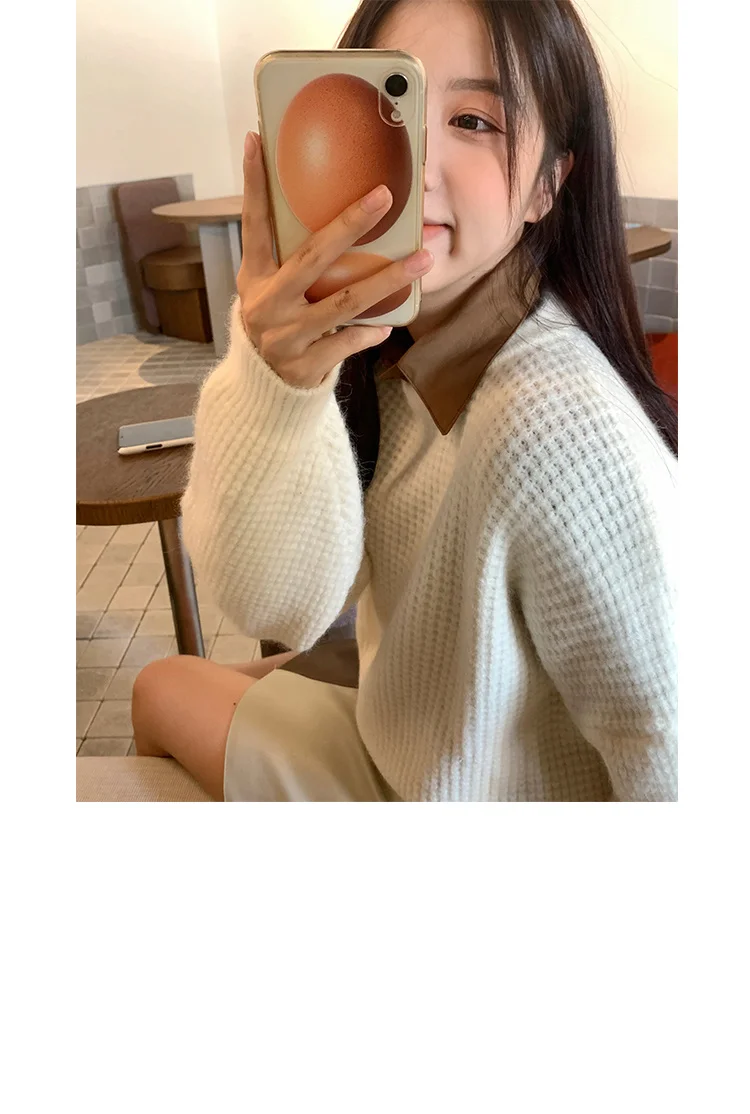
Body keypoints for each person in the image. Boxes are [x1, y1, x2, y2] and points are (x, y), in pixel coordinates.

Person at [131, 0, 677, 802]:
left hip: (443, 795)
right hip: (419, 723)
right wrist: (276, 385)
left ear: (547, 185)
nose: (413, 167)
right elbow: (281, 604)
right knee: (195, 678)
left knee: (159, 688)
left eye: (473, 121)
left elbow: (673, 742)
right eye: (387, 110)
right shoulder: (403, 350)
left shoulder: (555, 427)